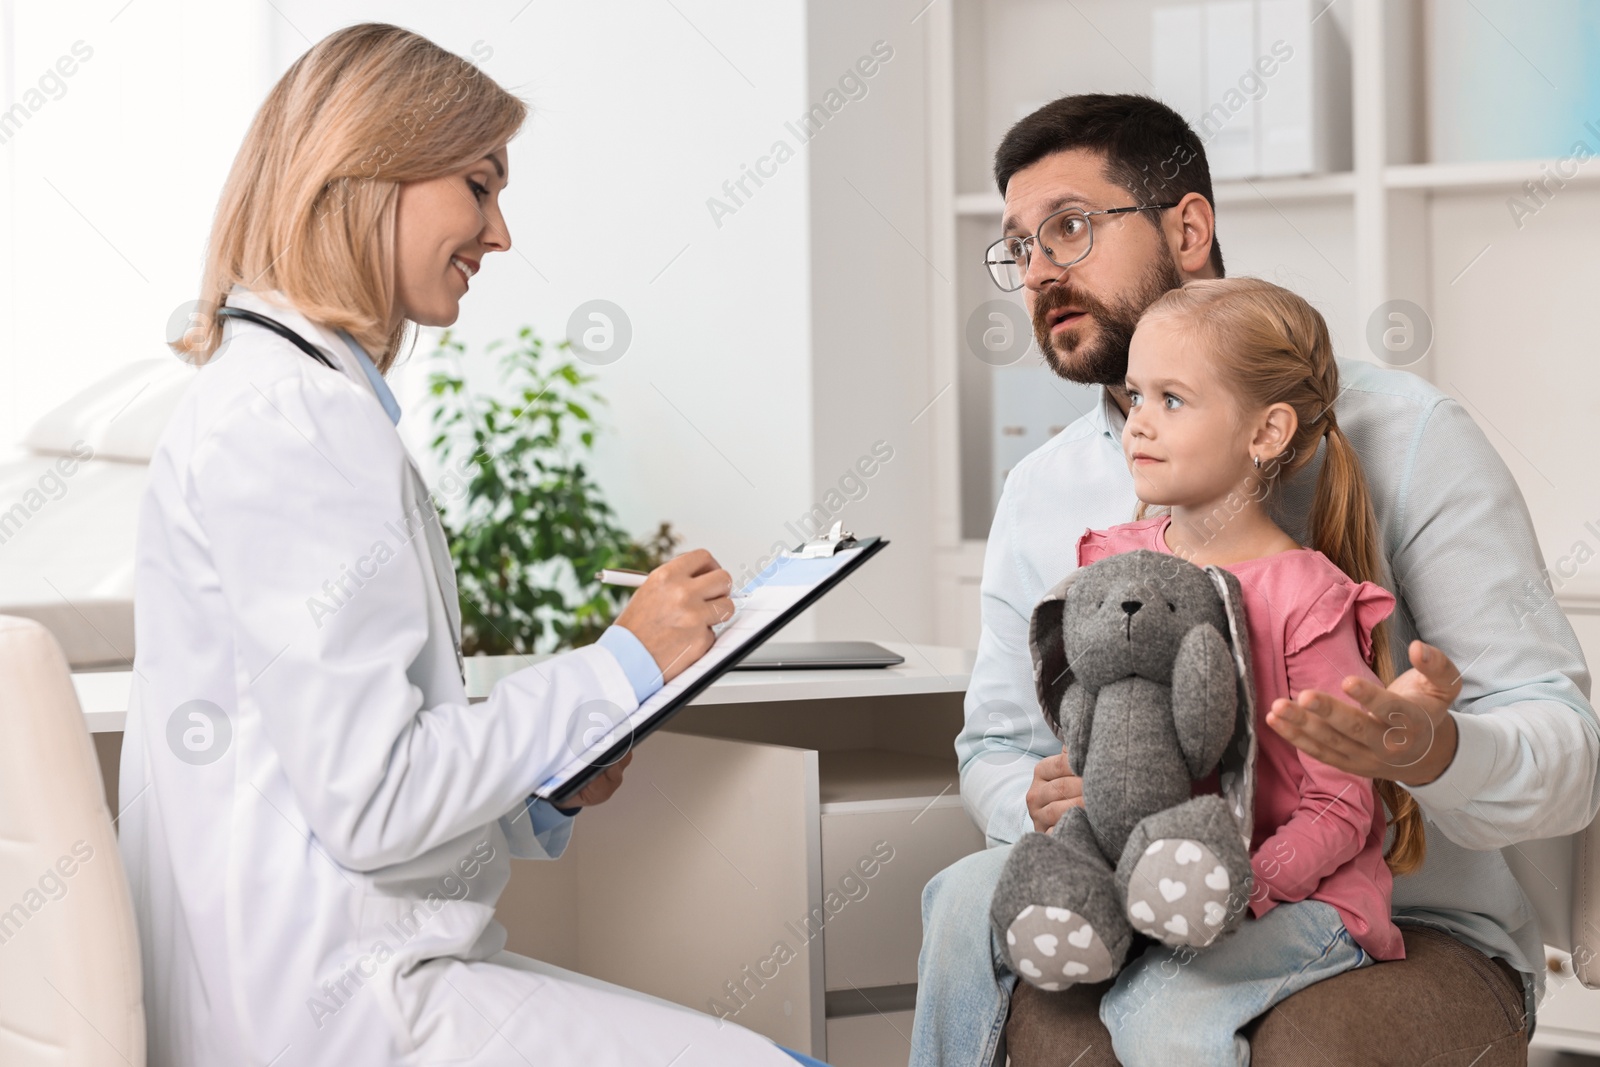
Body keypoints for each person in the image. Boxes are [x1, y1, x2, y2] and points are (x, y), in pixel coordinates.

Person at [118, 24, 824, 1067]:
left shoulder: (289, 402)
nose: (498, 234)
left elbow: (336, 787)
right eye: (479, 186)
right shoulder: (296, 421)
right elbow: (374, 800)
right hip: (343, 1007)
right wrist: (618, 664)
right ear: (370, 173)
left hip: (339, 976)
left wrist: (543, 790)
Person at [912, 94, 1599, 1067]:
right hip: (1139, 883)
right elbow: (991, 743)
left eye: (1069, 227)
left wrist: (1429, 747)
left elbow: (1566, 752)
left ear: (1187, 228)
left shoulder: (1410, 439)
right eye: (1018, 248)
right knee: (965, 899)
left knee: (1256, 1032)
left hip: (1416, 918)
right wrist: (1044, 796)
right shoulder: (1044, 491)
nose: (1038, 273)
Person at [1032, 277, 1418, 1064]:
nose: (1138, 420)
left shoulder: (1307, 595)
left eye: (1173, 399)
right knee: (958, 896)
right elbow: (1106, 735)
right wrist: (1073, 790)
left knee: (1158, 1006)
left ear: (1267, 430)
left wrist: (1234, 885)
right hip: (1153, 877)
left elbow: (1344, 810)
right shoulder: (1110, 559)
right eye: (1135, 395)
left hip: (1303, 898)